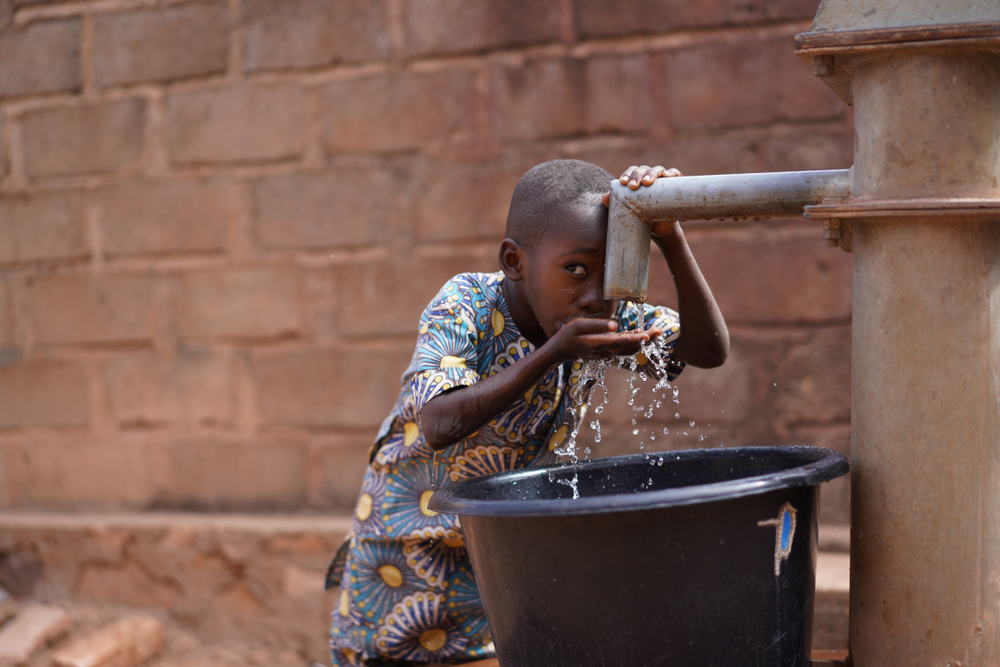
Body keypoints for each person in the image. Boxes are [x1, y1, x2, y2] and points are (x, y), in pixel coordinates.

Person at [326, 160, 729, 667]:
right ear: (515, 261)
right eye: (575, 269)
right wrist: (553, 353)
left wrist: (670, 237)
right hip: (408, 551)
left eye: (616, 271)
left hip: (503, 556)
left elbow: (706, 351)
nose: (595, 295)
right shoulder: (466, 303)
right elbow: (436, 423)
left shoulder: (605, 309)